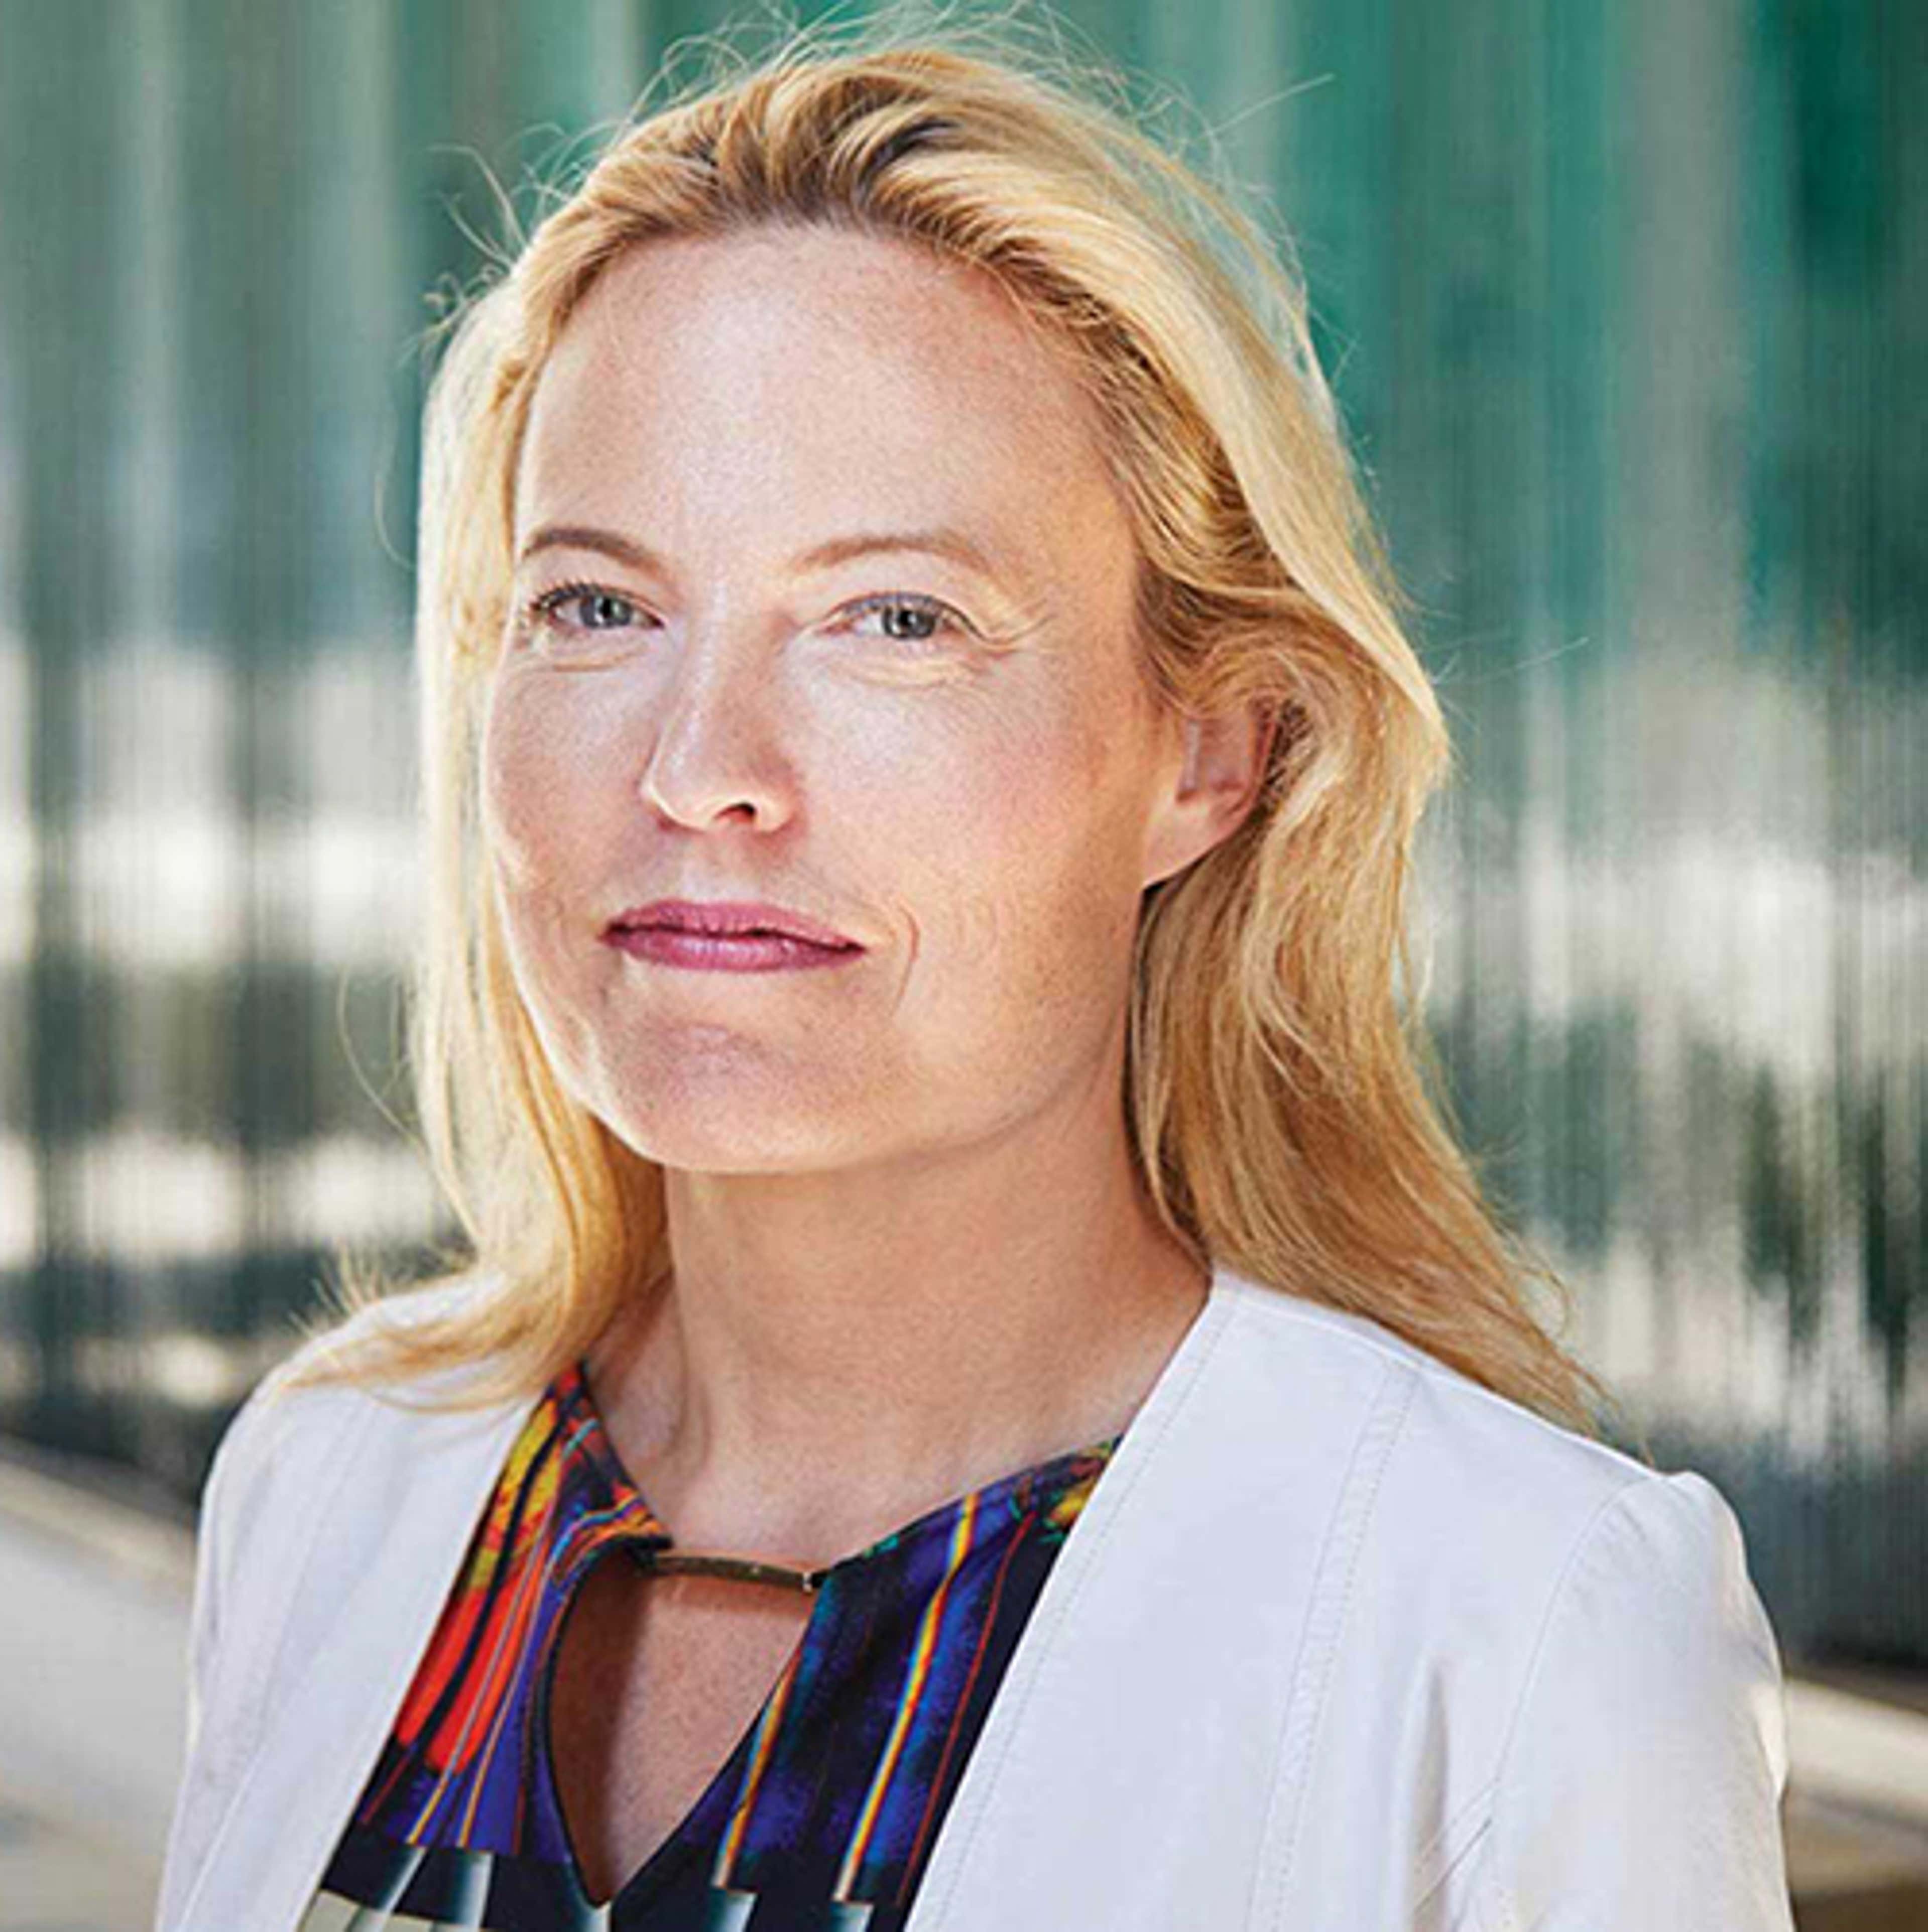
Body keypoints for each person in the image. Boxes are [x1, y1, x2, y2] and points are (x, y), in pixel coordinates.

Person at [155, 18, 1796, 1932]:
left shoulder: (1519, 1634)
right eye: (598, 606)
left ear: (1213, 751)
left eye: (896, 620)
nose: (701, 771)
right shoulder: (330, 1484)